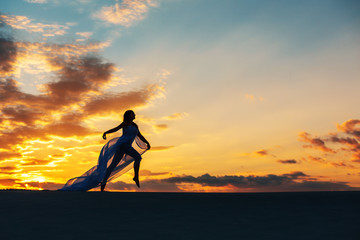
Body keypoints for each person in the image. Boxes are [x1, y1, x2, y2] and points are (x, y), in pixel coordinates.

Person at [100, 110, 150, 191]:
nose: (134, 115)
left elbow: (140, 135)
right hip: (123, 145)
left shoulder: (135, 125)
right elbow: (115, 129)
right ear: (128, 116)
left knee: (112, 166)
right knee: (137, 157)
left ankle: (103, 185)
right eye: (132, 114)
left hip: (125, 146)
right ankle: (136, 177)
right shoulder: (125, 123)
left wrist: (147, 142)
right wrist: (106, 132)